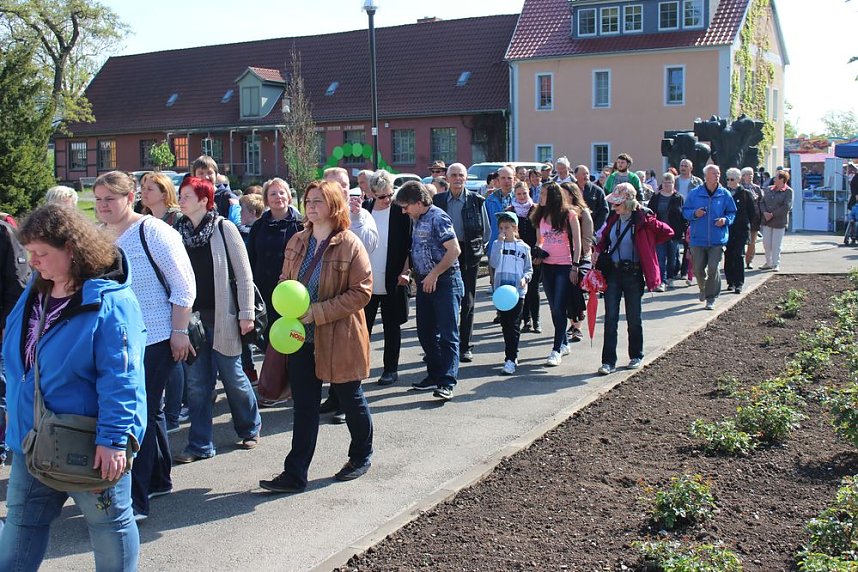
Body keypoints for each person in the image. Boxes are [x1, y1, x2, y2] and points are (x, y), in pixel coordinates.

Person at [0, 204, 147, 571]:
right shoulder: (37, 292)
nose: (32, 262)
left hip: (87, 442)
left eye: (41, 253)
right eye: (29, 253)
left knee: (109, 525)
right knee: (21, 523)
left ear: (70, 248)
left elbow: (123, 377)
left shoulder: (110, 302)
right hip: (30, 440)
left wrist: (113, 439)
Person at [93, 171, 196, 520]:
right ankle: (159, 478)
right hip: (120, 340)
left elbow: (183, 285)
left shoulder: (152, 230)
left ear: (130, 196)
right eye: (98, 199)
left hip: (157, 336)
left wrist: (179, 332)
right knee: (147, 412)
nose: (103, 205)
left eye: (110, 198)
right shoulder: (102, 235)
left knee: (138, 414)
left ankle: (136, 501)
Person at [258, 180, 374, 493]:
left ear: (334, 205)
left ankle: (361, 455)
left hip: (338, 336)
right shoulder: (297, 240)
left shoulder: (349, 244)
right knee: (305, 406)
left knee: (350, 398)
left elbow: (362, 292)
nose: (311, 206)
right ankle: (295, 473)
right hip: (298, 337)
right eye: (308, 200)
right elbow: (285, 280)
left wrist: (318, 312)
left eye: (319, 201)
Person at [173, 176, 262, 464]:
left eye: (187, 195)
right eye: (181, 195)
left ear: (203, 200)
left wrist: (247, 314)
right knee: (198, 384)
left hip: (224, 319)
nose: (181, 199)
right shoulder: (178, 232)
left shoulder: (224, 228)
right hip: (192, 322)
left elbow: (244, 274)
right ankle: (199, 444)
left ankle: (249, 427)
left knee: (233, 376)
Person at [594, 184, 673, 375]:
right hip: (613, 273)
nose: (614, 206)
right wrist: (597, 251)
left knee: (633, 318)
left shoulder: (643, 219)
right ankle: (608, 362)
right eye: (613, 203)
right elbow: (603, 239)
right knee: (610, 319)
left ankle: (636, 355)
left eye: (618, 203)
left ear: (629, 201)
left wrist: (648, 221)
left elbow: (668, 232)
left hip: (634, 274)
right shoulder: (613, 219)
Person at [319, 167, 377, 422]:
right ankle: (333, 397)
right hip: (325, 293)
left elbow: (369, 246)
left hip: (348, 293)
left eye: (344, 184)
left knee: (346, 355)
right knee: (329, 352)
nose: (341, 189)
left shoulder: (360, 214)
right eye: (334, 185)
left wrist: (356, 219)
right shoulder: (320, 216)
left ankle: (346, 405)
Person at [398, 181, 463, 401]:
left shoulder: (438, 217)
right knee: (425, 332)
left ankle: (447, 382)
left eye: (406, 205)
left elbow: (454, 250)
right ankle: (434, 374)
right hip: (425, 281)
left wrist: (435, 273)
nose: (403, 210)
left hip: (444, 281)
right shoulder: (416, 219)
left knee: (448, 334)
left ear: (418, 202)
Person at [432, 163, 490, 363]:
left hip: (467, 254)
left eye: (461, 175)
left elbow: (486, 232)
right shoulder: (437, 200)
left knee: (467, 300)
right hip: (442, 254)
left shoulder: (477, 200)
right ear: (447, 178)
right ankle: (440, 346)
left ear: (466, 178)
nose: (457, 179)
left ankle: (465, 346)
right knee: (442, 301)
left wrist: (476, 250)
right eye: (454, 175)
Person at [364, 170, 412, 385]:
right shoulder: (364, 211)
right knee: (362, 327)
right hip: (366, 280)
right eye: (382, 196)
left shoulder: (401, 212)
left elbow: (410, 245)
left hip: (393, 278)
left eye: (390, 194)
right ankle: (359, 368)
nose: (387, 200)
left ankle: (390, 369)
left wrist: (406, 271)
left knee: (392, 326)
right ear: (372, 194)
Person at [246, 177, 303, 347]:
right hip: (264, 289)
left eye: (282, 192)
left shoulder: (301, 225)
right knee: (270, 338)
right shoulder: (258, 226)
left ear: (288, 196)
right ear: (266, 199)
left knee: (293, 338)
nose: (278, 196)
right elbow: (250, 257)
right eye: (273, 193)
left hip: (291, 291)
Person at [531, 181, 581, 367]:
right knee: (553, 307)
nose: (540, 197)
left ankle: (556, 349)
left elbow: (577, 242)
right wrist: (538, 252)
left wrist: (575, 266)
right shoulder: (540, 215)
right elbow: (540, 240)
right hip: (547, 265)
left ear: (552, 196)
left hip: (564, 265)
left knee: (560, 306)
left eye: (543, 194)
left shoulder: (569, 215)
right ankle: (564, 342)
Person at [683, 164, 737, 310]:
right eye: (714, 173)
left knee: (713, 268)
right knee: (698, 269)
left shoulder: (724, 194)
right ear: (706, 176)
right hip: (697, 238)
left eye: (718, 173)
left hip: (717, 239)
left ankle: (711, 297)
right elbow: (685, 211)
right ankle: (702, 288)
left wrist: (725, 220)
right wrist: (695, 214)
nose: (717, 176)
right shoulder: (695, 193)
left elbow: (732, 212)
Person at [0, 215, 29, 467]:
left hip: (1, 330)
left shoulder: (4, 233)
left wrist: (6, 327)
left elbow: (17, 285)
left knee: (1, 391)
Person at [489, 212, 532, 376]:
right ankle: (512, 352)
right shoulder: (496, 244)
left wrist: (525, 279)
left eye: (507, 227)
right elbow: (493, 262)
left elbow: (529, 269)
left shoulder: (523, 248)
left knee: (514, 324)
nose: (503, 231)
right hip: (501, 292)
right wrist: (499, 242)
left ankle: (510, 358)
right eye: (501, 228)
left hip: (517, 292)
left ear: (515, 228)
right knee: (505, 324)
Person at [560, 182, 594, 343]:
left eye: (563, 192)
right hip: (564, 257)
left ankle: (577, 325)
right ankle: (572, 323)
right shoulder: (560, 212)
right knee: (568, 291)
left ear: (571, 194)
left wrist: (579, 256)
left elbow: (587, 238)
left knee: (578, 287)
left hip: (581, 258)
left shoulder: (584, 213)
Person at [508, 181, 541, 333]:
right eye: (519, 194)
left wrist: (538, 251)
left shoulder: (536, 209)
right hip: (517, 255)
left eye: (524, 193)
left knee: (533, 289)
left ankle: (536, 320)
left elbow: (542, 233)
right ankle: (525, 320)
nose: (522, 197)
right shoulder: (510, 210)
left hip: (533, 254)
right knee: (522, 289)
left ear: (529, 193)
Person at [646, 172, 686, 290]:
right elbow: (650, 213)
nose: (667, 185)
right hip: (659, 233)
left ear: (674, 184)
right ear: (661, 183)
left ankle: (670, 278)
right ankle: (661, 281)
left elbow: (683, 216)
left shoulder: (679, 198)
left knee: (672, 257)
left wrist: (683, 230)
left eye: (670, 182)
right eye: (665, 182)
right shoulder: (656, 197)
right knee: (660, 257)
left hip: (674, 233)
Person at [724, 168, 757, 293]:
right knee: (728, 254)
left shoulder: (745, 194)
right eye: (727, 179)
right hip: (727, 229)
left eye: (732, 179)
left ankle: (739, 283)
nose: (729, 182)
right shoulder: (724, 193)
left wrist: (746, 224)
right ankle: (730, 281)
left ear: (738, 179)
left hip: (741, 229)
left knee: (738, 255)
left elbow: (752, 212)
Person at [759, 170, 794, 272]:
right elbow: (762, 202)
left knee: (776, 244)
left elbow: (786, 206)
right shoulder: (768, 189)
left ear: (782, 179)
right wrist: (765, 213)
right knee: (766, 243)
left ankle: (775, 264)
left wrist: (773, 214)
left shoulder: (788, 191)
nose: (774, 179)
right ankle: (768, 262)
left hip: (779, 222)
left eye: (777, 177)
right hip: (767, 221)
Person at [192, 155, 241, 227]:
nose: (206, 177)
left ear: (216, 174)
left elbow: (238, 225)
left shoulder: (227, 197)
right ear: (194, 176)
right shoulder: (192, 198)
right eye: (201, 173)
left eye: (209, 173)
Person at [574, 165, 609, 232]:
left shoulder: (597, 191)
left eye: (587, 173)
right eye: (583, 174)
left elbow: (604, 210)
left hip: (590, 229)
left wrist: (595, 228)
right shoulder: (570, 189)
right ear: (576, 176)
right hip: (573, 228)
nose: (586, 176)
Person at [740, 166, 763, 269]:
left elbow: (761, 202)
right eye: (748, 174)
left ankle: (749, 261)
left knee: (752, 241)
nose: (750, 176)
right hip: (742, 218)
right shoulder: (739, 188)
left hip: (755, 218)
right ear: (743, 176)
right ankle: (739, 260)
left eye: (751, 174)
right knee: (741, 240)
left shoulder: (757, 188)